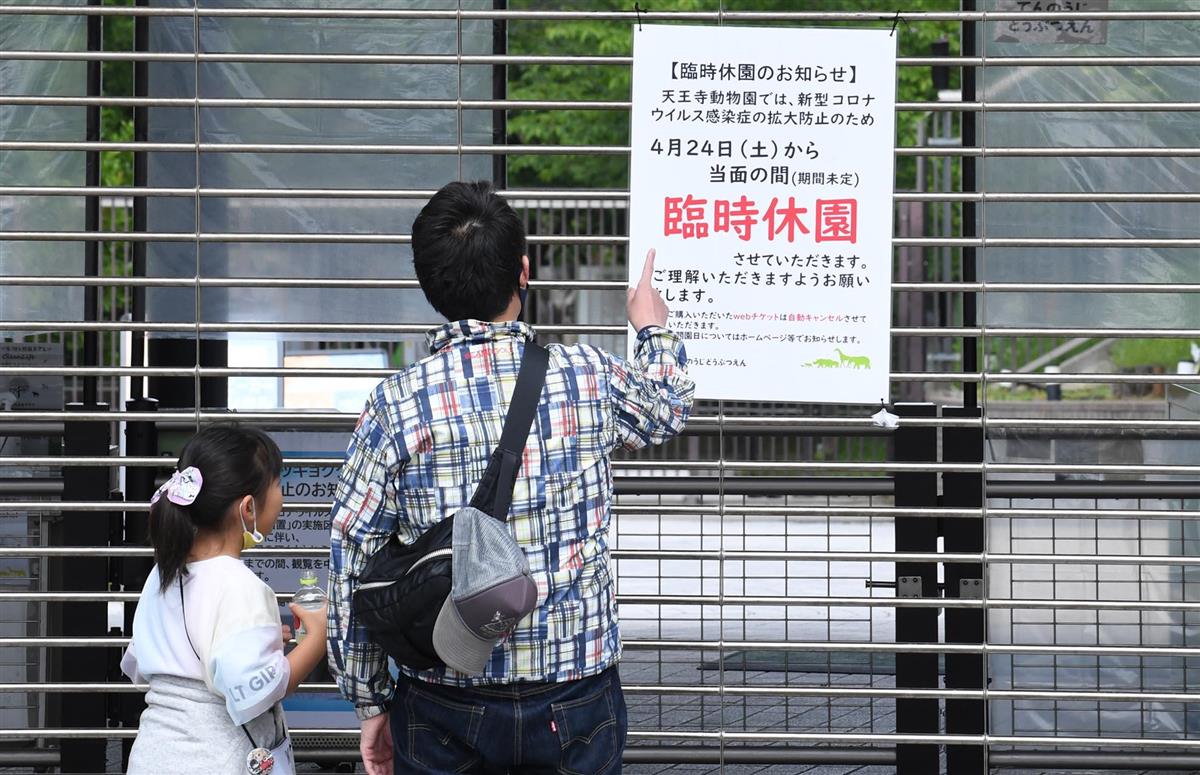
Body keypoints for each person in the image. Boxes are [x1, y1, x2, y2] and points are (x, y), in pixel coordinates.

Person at [327, 180, 695, 775]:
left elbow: (353, 556)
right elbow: (667, 406)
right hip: (575, 691)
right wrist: (651, 326)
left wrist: (369, 699)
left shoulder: (396, 404)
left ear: (430, 284)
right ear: (523, 270)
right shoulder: (585, 377)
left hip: (444, 690)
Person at [121, 425, 329, 775]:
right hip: (217, 761)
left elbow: (146, 664)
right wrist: (317, 639)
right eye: (279, 485)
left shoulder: (161, 574)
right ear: (248, 508)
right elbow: (256, 692)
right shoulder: (241, 586)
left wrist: (256, 646)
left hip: (152, 757)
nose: (282, 496)